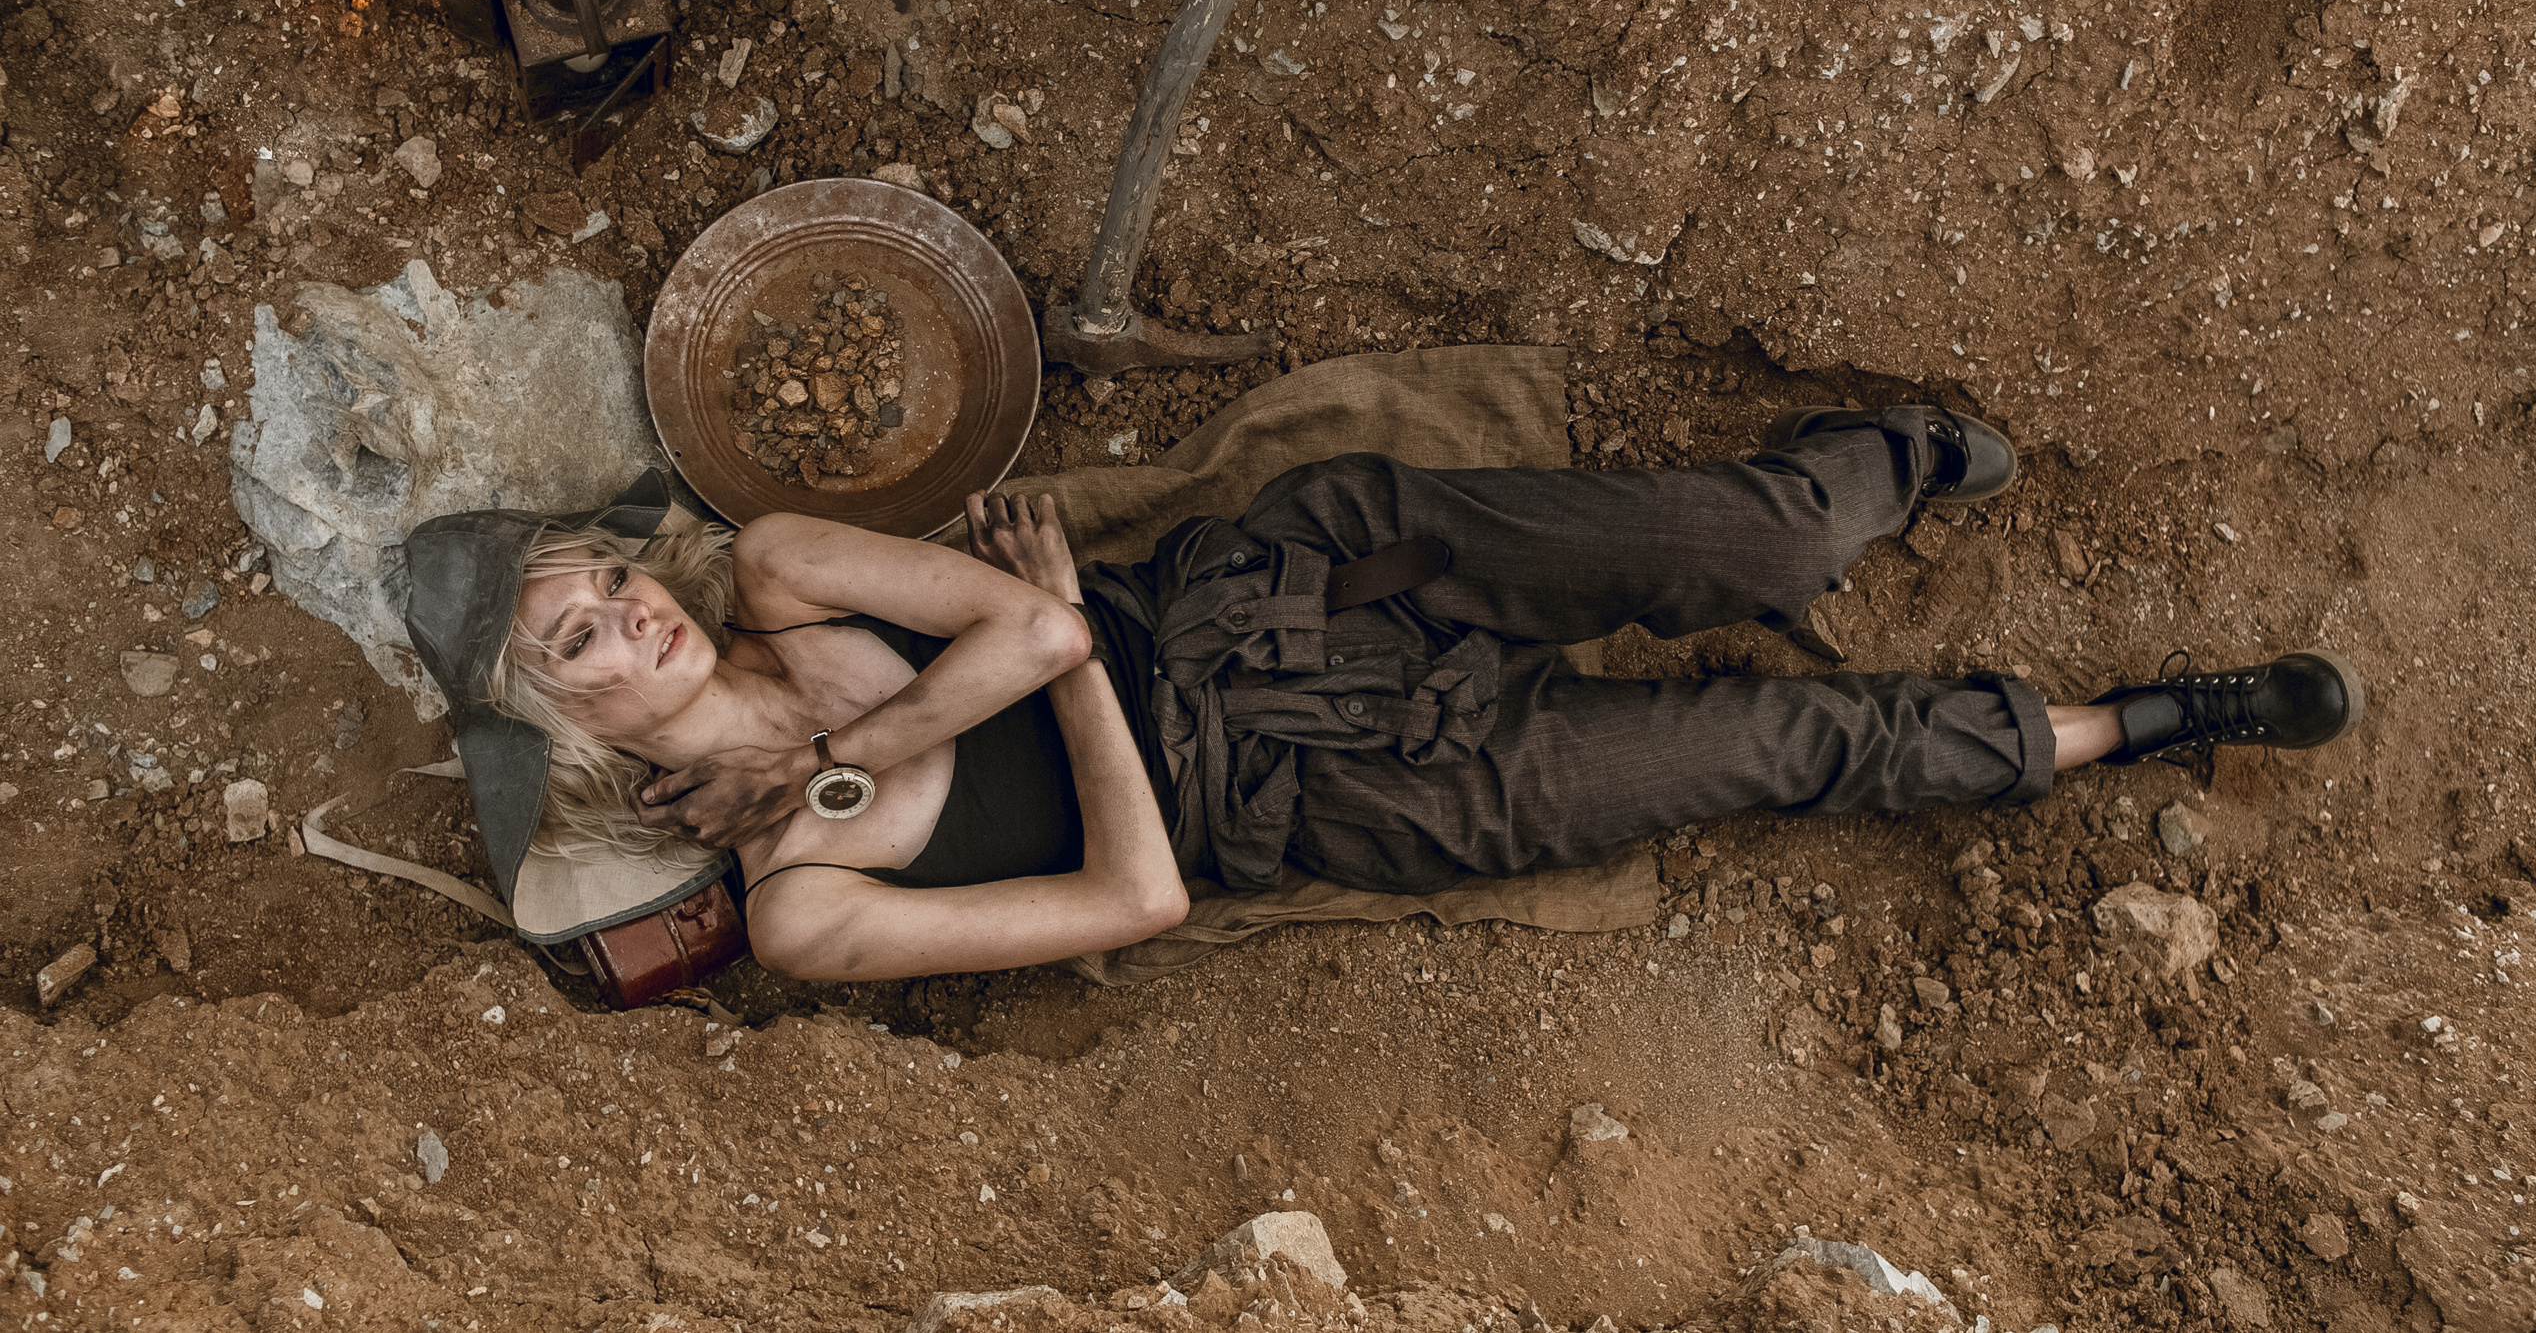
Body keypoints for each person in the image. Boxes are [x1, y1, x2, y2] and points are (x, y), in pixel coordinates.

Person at [406, 406, 2362, 985]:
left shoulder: (774, 565)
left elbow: (1066, 639)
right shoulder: (807, 912)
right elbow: (1137, 894)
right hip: (1339, 803)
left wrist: (860, 742)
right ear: (570, 729)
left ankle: (1885, 458)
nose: (630, 622)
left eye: (607, 585)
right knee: (1767, 745)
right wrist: (1043, 655)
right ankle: (2127, 724)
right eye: (578, 644)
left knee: (1747, 546)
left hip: (1290, 587)